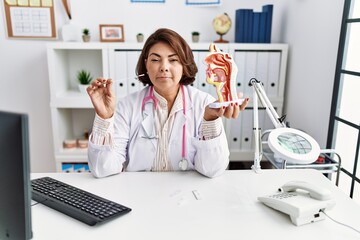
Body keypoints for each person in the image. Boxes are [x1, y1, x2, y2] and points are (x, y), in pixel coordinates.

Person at [86, 28, 249, 178]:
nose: (164, 67)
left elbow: (213, 170)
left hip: (187, 196)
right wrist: (104, 117)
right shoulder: (128, 105)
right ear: (146, 65)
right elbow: (103, 169)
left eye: (173, 60)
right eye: (155, 60)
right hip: (139, 195)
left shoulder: (204, 103)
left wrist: (210, 120)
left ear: (184, 65)